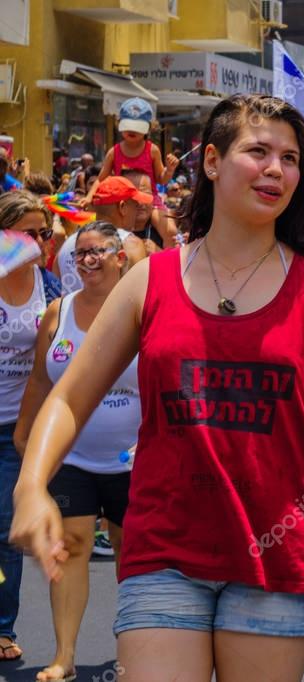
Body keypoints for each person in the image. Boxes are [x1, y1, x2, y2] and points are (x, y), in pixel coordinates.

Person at [10, 94, 304, 681]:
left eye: (290, 159)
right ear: (211, 161)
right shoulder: (151, 279)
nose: (276, 169)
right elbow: (68, 396)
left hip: (278, 562)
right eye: (257, 151)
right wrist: (32, 486)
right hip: (163, 550)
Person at [14, 222, 139, 682]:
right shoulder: (58, 312)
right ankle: (64, 655)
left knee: (132, 554)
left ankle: (133, 651)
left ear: (121, 257)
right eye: (79, 254)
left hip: (134, 462)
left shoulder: (145, 312)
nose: (86, 261)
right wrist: (26, 435)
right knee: (70, 548)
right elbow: (41, 382)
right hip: (72, 458)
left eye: (97, 252)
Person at [0, 190, 58, 663]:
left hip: (16, 429)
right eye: (28, 232)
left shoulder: (49, 286)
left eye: (44, 232)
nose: (39, 241)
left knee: (5, 528)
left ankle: (1, 626)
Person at [56, 177, 147, 294]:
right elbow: (141, 296)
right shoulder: (131, 244)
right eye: (135, 205)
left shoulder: (66, 246)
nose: (137, 212)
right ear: (122, 207)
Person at [83, 98, 179, 208]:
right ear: (119, 124)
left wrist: (170, 170)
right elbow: (100, 180)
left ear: (148, 128)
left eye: (138, 127)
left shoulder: (153, 150)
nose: (132, 131)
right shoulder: (114, 152)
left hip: (149, 203)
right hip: (123, 203)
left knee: (163, 223)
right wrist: (89, 197)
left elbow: (161, 180)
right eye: (128, 126)